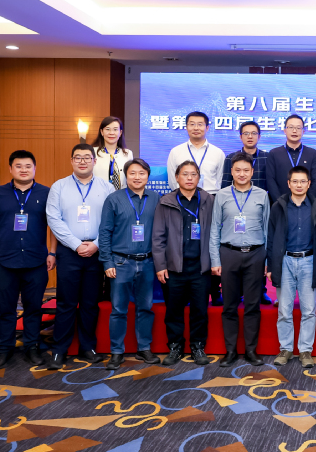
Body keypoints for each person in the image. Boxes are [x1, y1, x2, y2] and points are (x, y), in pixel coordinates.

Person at [0, 150, 55, 369]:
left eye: (28, 166)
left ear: (35, 168)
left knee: (33, 308)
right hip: (4, 262)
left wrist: (52, 253)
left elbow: (54, 226)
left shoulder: (46, 193)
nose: (23, 170)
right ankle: (4, 350)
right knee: (6, 309)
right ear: (11, 169)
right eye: (18, 166)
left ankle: (32, 347)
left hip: (36, 261)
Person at [45, 143, 115, 370]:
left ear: (94, 161)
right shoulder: (59, 186)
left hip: (97, 251)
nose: (82, 161)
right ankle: (59, 349)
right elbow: (53, 219)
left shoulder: (106, 187)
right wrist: (76, 245)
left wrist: (95, 245)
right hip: (69, 251)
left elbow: (112, 220)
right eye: (78, 157)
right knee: (66, 302)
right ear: (71, 161)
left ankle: (88, 347)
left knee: (90, 303)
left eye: (87, 157)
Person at [98, 158, 161, 370]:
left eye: (141, 173)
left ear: (148, 176)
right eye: (132, 173)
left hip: (148, 262)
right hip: (120, 262)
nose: (137, 177)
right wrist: (107, 262)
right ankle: (117, 351)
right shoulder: (114, 199)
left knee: (146, 308)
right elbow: (104, 232)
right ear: (126, 176)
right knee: (118, 309)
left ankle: (144, 348)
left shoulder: (156, 198)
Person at [211, 152, 271, 367]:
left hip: (255, 254)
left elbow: (267, 229)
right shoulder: (222, 195)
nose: (242, 174)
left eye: (246, 170)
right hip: (229, 253)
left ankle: (251, 350)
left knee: (253, 305)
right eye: (238, 170)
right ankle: (230, 351)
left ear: (252, 172)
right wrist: (215, 260)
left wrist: (267, 261)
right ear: (232, 172)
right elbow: (214, 229)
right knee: (229, 305)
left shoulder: (262, 195)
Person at [152, 160, 215, 366]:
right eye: (185, 174)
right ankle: (175, 346)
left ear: (199, 177)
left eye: (193, 174)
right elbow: (158, 236)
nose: (189, 178)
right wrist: (160, 265)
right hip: (174, 267)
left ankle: (198, 346)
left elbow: (216, 232)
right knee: (173, 311)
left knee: (200, 310)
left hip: (201, 267)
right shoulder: (166, 202)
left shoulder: (208, 200)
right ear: (177, 177)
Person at [267, 166, 316, 369]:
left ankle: (305, 350)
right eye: (295, 181)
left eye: (303, 181)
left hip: (309, 260)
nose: (299, 185)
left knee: (309, 310)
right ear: (288, 183)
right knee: (284, 309)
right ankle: (286, 349)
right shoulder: (279, 206)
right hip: (285, 261)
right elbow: (271, 237)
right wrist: (270, 265)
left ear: (309, 184)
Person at [220, 120, 271, 306]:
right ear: (240, 136)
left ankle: (260, 291)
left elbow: (270, 183)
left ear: (259, 136)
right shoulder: (231, 158)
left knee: (257, 252)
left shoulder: (267, 157)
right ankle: (237, 291)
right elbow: (225, 184)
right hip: (235, 208)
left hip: (257, 207)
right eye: (246, 133)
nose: (250, 136)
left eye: (254, 133)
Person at [266, 114, 316, 203]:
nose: (294, 131)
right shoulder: (274, 153)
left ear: (303, 131)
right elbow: (270, 181)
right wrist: (280, 202)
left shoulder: (312, 153)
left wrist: (307, 201)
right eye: (291, 127)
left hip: (307, 204)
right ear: (285, 130)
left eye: (298, 128)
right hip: (280, 204)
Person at [166, 111, 225, 194]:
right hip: (183, 196)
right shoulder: (175, 151)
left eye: (200, 124)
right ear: (186, 127)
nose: (196, 128)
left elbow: (220, 179)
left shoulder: (218, 153)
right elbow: (172, 180)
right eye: (192, 124)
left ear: (207, 128)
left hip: (211, 197)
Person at [92, 116, 133, 191]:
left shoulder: (128, 154)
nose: (111, 133)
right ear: (102, 132)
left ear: (120, 133)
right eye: (107, 129)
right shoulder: (92, 152)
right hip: (99, 194)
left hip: (121, 195)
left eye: (115, 129)